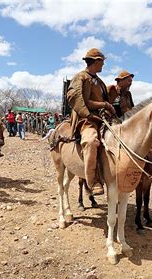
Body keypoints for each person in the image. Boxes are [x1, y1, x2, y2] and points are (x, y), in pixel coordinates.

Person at [67, 48, 115, 196]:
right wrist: (94, 111)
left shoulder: (100, 82)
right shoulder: (80, 77)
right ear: (95, 61)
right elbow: (75, 98)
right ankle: (93, 181)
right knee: (91, 141)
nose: (103, 65)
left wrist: (109, 108)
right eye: (102, 62)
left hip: (103, 119)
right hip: (87, 120)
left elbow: (105, 100)